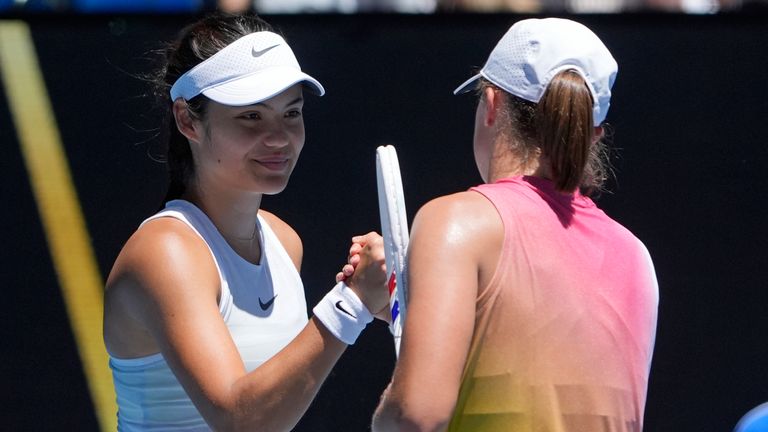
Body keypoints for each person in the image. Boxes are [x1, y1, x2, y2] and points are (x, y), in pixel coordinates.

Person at [364, 18, 659, 431]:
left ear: (492, 105)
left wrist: (393, 401)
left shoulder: (457, 223)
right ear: (594, 134)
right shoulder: (637, 257)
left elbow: (415, 414)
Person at [102, 12, 389, 431]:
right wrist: (350, 304)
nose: (279, 137)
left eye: (292, 114)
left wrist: (388, 302)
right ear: (187, 121)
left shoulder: (284, 241)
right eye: (251, 116)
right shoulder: (166, 253)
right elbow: (240, 421)